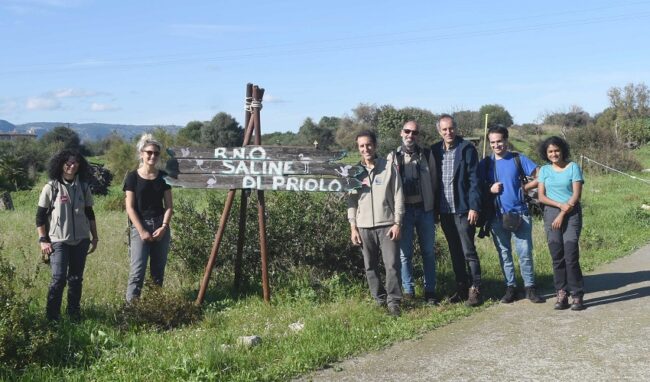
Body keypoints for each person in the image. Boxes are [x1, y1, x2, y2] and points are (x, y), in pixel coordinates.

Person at [478, 126, 544, 304]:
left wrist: (527, 187)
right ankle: (511, 288)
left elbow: (542, 174)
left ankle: (530, 287)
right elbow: (476, 187)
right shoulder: (485, 164)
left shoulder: (518, 159)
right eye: (492, 142)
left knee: (525, 253)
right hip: (496, 216)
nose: (496, 145)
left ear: (506, 140)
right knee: (504, 253)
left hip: (520, 214)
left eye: (499, 141)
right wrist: (489, 189)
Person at [36, 149, 98, 321]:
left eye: (75, 162)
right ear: (60, 164)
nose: (72, 165)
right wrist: (43, 240)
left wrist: (95, 237)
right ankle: (52, 318)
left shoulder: (84, 186)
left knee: (76, 279)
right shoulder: (51, 187)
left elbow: (90, 212)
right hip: (58, 241)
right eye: (68, 162)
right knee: (58, 278)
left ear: (80, 165)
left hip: (81, 240)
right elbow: (40, 217)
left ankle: (74, 314)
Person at [348, 130, 405, 316]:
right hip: (364, 226)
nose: (366, 149)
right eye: (362, 146)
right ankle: (379, 299)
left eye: (369, 145)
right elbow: (352, 202)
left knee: (392, 265)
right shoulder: (355, 172)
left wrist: (397, 223)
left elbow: (398, 195)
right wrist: (353, 227)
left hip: (387, 224)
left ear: (375, 145)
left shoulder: (388, 167)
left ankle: (394, 301)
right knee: (370, 266)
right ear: (358, 148)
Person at [432, 114, 483, 306]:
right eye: (444, 129)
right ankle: (461, 287)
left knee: (468, 250)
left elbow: (474, 180)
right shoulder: (435, 150)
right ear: (439, 131)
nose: (448, 132)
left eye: (451, 128)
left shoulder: (467, 149)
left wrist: (474, 206)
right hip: (445, 211)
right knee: (454, 251)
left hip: (463, 210)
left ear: (456, 128)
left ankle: (475, 288)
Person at [387, 121, 438, 304]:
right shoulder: (392, 157)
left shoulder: (426, 154)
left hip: (425, 210)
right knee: (405, 254)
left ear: (418, 135)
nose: (410, 135)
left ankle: (430, 290)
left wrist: (434, 209)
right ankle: (408, 290)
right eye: (407, 131)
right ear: (401, 133)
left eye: (414, 133)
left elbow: (433, 182)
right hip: (404, 213)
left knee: (428, 252)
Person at [537, 136, 585, 311]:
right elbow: (541, 196)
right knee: (557, 256)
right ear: (546, 153)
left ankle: (577, 295)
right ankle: (561, 293)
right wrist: (558, 207)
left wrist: (563, 213)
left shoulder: (573, 167)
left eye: (556, 150)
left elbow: (576, 195)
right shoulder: (544, 170)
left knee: (571, 255)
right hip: (551, 213)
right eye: (550, 151)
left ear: (563, 150)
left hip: (571, 213)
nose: (554, 154)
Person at [124, 134, 173, 303]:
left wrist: (164, 227)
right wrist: (142, 230)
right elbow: (129, 207)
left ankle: (155, 308)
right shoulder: (132, 177)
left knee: (158, 273)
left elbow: (169, 206)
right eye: (149, 152)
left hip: (160, 226)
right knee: (137, 272)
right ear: (141, 153)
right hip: (140, 227)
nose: (153, 156)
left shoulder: (163, 177)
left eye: (156, 153)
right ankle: (131, 311)